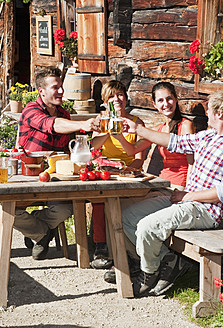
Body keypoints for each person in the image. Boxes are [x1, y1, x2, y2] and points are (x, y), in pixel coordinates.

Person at [119, 90, 223, 297]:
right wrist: (138, 129)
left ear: (219, 113)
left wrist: (187, 196)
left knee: (147, 226)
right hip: (186, 201)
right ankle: (168, 261)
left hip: (205, 210)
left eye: (209, 109)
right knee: (128, 217)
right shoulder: (208, 136)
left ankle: (148, 273)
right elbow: (175, 142)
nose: (206, 113)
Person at [16, 67, 100, 260]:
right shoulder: (31, 110)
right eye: (56, 87)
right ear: (42, 91)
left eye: (61, 86)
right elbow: (52, 125)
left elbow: (71, 146)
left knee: (67, 208)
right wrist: (81, 124)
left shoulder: (64, 113)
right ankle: (42, 233)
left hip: (55, 177)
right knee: (9, 212)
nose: (61, 91)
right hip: (28, 175)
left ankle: (37, 227)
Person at [89, 80, 145, 269]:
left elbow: (139, 158)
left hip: (127, 171)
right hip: (105, 169)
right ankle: (101, 246)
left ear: (126, 97)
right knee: (99, 199)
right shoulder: (101, 120)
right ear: (105, 101)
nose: (116, 99)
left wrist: (130, 169)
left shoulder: (135, 122)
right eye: (111, 96)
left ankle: (123, 248)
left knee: (121, 201)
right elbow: (92, 148)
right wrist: (108, 129)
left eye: (119, 94)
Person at [113, 81, 195, 189]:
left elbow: (192, 163)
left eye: (169, 98)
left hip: (178, 185)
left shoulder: (185, 125)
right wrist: (119, 137)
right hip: (161, 182)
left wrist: (188, 192)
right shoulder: (159, 129)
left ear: (176, 99)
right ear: (154, 104)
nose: (165, 104)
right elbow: (132, 150)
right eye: (160, 100)